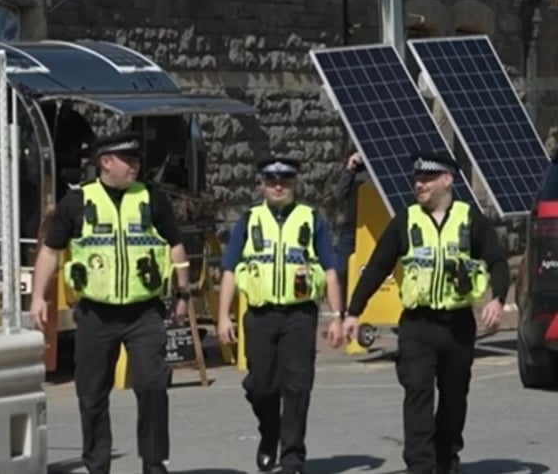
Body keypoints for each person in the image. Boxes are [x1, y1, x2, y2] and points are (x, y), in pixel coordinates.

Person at [29, 132, 191, 474]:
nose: (136, 166)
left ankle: (154, 462)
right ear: (105, 162)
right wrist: (38, 297)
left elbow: (175, 246)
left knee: (152, 384)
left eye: (136, 160)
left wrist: (183, 292)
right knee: (91, 393)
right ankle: (97, 464)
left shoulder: (151, 198)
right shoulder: (77, 202)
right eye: (127, 160)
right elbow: (50, 250)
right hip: (95, 312)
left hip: (144, 310)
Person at [342, 151, 509, 474]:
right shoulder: (405, 220)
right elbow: (377, 267)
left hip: (458, 325)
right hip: (417, 325)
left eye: (428, 179)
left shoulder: (469, 219)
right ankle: (419, 465)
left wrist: (497, 298)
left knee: (454, 397)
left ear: (447, 180)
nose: (420, 184)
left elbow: (498, 262)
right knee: (417, 391)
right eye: (417, 179)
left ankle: (446, 460)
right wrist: (353, 312)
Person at [217, 155, 344, 474]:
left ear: (293, 184)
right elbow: (230, 271)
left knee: (297, 386)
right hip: (260, 315)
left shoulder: (311, 218)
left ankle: (292, 458)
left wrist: (337, 316)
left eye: (284, 181)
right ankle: (269, 432)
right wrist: (223, 317)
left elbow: (329, 271)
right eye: (272, 181)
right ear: (262, 184)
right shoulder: (249, 219)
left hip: (299, 316)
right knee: (259, 387)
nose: (278, 186)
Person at [333, 146, 369, 306]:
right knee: (341, 270)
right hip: (351, 228)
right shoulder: (355, 171)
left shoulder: (379, 172)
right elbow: (340, 195)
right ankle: (341, 310)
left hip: (371, 231)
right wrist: (350, 168)